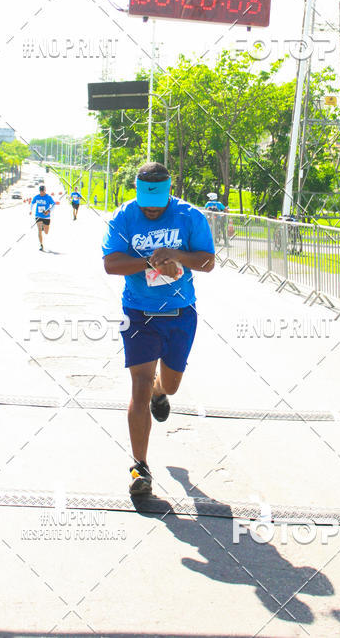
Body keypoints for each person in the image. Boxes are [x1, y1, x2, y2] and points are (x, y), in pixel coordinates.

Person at [102, 162, 215, 496]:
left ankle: (160, 391)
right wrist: (149, 261)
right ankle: (140, 468)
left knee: (171, 385)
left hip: (180, 314)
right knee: (137, 385)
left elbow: (208, 261)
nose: (150, 210)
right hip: (139, 313)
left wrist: (176, 255)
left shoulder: (189, 217)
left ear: (168, 193)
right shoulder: (124, 217)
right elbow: (110, 264)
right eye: (145, 204)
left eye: (157, 204)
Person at [29, 184, 56, 251]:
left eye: (42, 191)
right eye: (40, 191)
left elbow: (53, 205)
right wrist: (30, 210)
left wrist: (49, 211)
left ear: (45, 190)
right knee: (39, 230)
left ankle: (44, 227)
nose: (41, 192)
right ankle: (41, 245)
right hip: (38, 216)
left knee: (46, 232)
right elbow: (32, 203)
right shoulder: (36, 197)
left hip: (46, 217)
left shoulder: (48, 197)